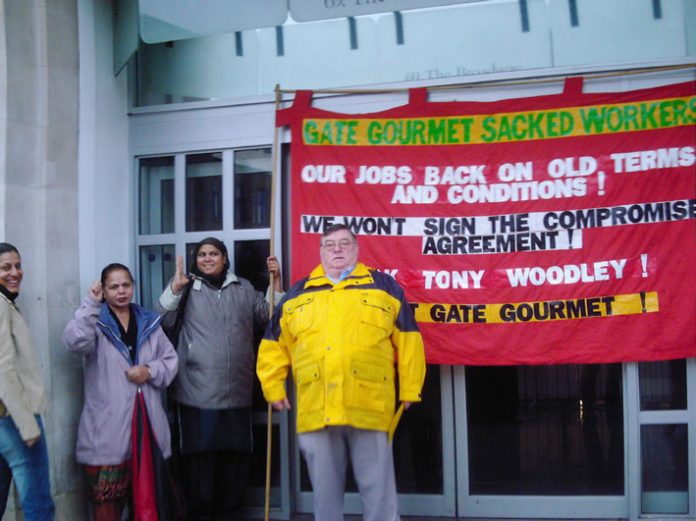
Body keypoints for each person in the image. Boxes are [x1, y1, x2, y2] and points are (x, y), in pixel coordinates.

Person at [256, 224, 426, 521]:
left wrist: (411, 388)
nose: (337, 249)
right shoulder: (298, 292)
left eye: (344, 243)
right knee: (325, 497)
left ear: (356, 249)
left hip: (369, 405)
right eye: (330, 244)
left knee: (380, 495)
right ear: (320, 251)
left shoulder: (384, 287)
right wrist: (273, 388)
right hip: (316, 408)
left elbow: (410, 340)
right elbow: (272, 346)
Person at [156, 237, 282, 521]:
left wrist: (276, 284)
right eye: (202, 254)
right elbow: (161, 320)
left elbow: (270, 317)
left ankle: (229, 514)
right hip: (195, 393)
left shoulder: (244, 288)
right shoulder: (187, 288)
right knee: (200, 466)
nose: (208, 258)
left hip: (236, 393)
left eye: (214, 253)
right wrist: (174, 288)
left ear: (225, 258)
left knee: (233, 463)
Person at [62, 263, 178, 521]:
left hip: (147, 427)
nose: (121, 291)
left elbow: (170, 360)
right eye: (113, 286)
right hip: (106, 430)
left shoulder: (148, 321)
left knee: (148, 503)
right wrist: (90, 305)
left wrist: (149, 370)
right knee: (108, 507)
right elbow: (74, 341)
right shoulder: (96, 321)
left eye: (126, 285)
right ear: (102, 289)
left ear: (133, 287)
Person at [0, 242, 55, 520]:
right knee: (39, 505)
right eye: (6, 267)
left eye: (18, 265)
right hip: (14, 419)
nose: (15, 273)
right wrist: (27, 425)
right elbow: (3, 370)